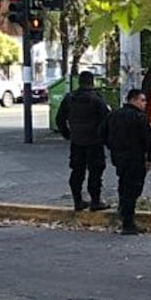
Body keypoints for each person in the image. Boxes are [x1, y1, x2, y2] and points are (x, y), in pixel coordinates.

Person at [100, 89, 151, 235]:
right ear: (133, 100)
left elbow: (102, 133)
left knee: (124, 183)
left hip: (119, 157)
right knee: (133, 188)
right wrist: (150, 157)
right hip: (135, 158)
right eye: (142, 100)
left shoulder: (113, 115)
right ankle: (128, 222)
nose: (145, 103)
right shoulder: (140, 117)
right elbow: (149, 140)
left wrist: (112, 146)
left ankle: (123, 211)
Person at [56, 71, 111, 212]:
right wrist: (105, 138)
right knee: (95, 172)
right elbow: (107, 120)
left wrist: (67, 134)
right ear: (92, 82)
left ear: (79, 82)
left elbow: (59, 118)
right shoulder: (97, 99)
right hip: (94, 142)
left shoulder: (70, 98)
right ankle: (95, 201)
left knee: (77, 171)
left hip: (77, 141)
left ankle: (77, 200)